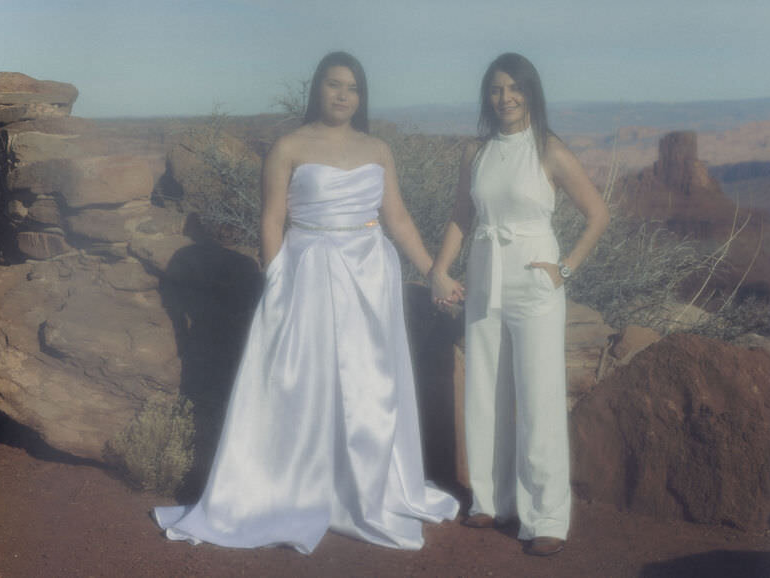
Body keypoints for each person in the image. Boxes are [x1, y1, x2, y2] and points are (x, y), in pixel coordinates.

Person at [154, 51, 459, 553]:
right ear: (317, 89)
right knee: (303, 379)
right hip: (308, 272)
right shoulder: (289, 146)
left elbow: (398, 219)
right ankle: (297, 486)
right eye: (334, 84)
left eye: (353, 88)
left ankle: (363, 485)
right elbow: (271, 221)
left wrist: (433, 272)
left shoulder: (378, 148)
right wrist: (277, 279)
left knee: (369, 382)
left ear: (361, 97)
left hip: (368, 274)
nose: (343, 95)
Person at [429, 53, 609, 556]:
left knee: (539, 396)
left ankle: (547, 514)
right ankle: (490, 500)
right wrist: (441, 270)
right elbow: (460, 217)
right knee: (484, 391)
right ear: (487, 96)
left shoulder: (548, 149)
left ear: (530, 92)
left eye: (515, 88)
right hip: (485, 275)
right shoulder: (476, 152)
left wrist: (565, 268)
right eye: (496, 89)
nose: (505, 98)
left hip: (535, 279)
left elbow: (597, 213)